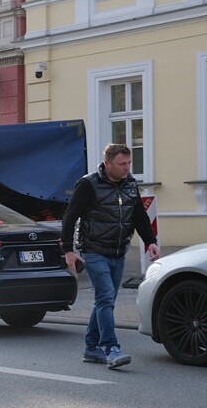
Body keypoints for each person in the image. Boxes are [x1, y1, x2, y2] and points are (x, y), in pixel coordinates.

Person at [62, 143, 159, 369]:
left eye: (129, 163)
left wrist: (150, 242)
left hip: (118, 252)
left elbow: (139, 217)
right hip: (93, 251)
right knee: (105, 298)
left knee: (105, 301)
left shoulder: (130, 184)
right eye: (121, 164)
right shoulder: (88, 185)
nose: (127, 168)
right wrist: (68, 251)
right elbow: (70, 217)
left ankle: (90, 348)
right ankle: (111, 349)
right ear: (107, 164)